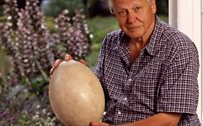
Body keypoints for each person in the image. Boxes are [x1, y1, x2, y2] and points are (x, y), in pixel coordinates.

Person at [50, 0, 200, 125]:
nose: (131, 19)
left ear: (152, 5)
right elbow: (100, 91)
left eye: (137, 9)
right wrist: (76, 76)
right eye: (122, 12)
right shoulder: (111, 42)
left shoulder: (178, 47)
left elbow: (169, 120)